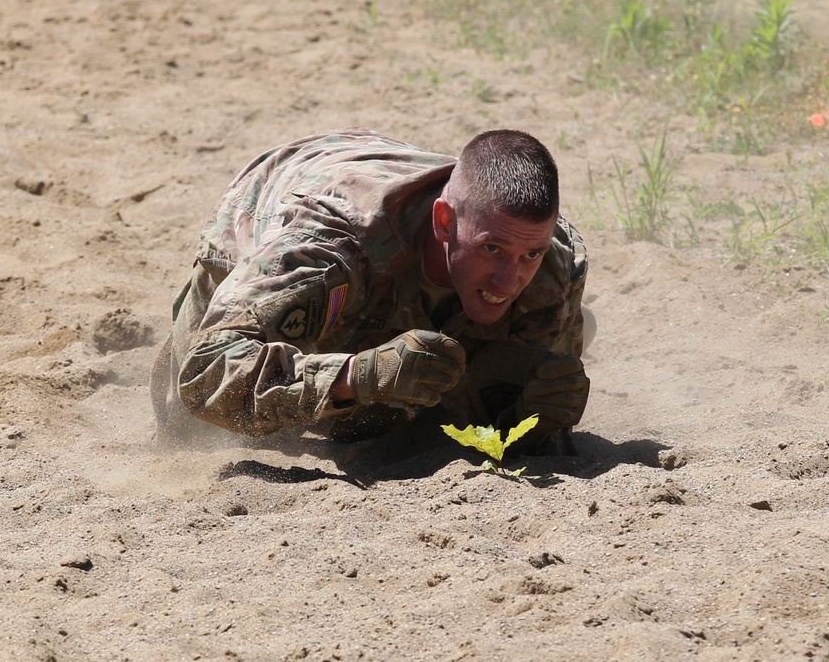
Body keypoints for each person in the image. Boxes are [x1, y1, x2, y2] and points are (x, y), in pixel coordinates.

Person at [151, 127, 593, 456]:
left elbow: (518, 434)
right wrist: (355, 376)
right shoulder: (327, 245)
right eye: (491, 249)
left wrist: (535, 419)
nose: (508, 279)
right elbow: (205, 374)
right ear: (445, 223)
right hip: (274, 207)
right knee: (197, 428)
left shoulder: (552, 261)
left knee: (413, 408)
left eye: (528, 255)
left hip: (403, 249)